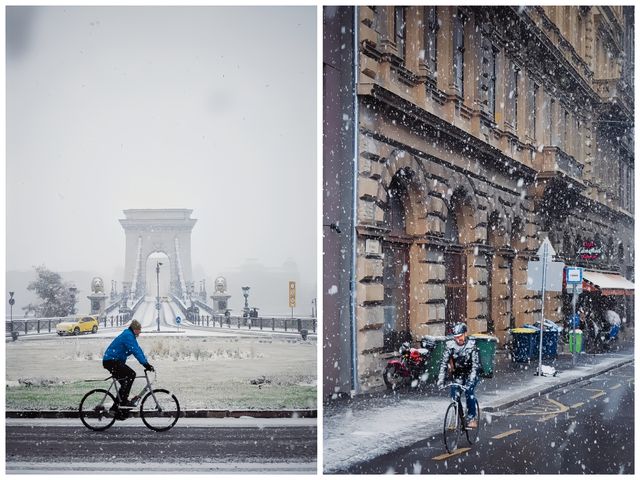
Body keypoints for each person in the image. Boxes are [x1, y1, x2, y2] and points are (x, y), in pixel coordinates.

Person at [437, 322, 481, 429]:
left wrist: (471, 380)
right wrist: (441, 379)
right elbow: (443, 363)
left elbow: (475, 366)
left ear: (465, 334)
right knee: (454, 396)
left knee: (469, 392)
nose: (458, 339)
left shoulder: (472, 345)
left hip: (471, 373)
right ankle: (458, 418)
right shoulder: (450, 346)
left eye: (460, 336)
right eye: (456, 337)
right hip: (458, 374)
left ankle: (472, 418)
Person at [102, 319, 154, 408]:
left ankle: (117, 408)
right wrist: (145, 365)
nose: (140, 332)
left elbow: (138, 349)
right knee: (131, 375)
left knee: (125, 383)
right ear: (135, 329)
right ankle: (122, 403)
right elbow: (135, 351)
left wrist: (146, 363)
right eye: (139, 330)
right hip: (111, 361)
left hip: (113, 361)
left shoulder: (130, 335)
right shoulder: (128, 336)